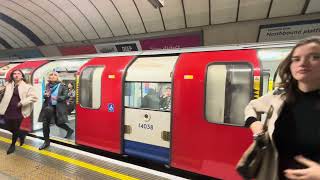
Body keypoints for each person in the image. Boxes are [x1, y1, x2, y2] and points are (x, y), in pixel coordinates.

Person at [244, 36, 320, 180]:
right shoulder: (279, 96)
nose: (303, 63)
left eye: (314, 57)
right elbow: (251, 106)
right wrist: (255, 124)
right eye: (296, 59)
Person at [0, 69, 37, 154]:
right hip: (7, 109)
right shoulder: (8, 84)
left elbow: (34, 97)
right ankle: (22, 134)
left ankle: (12, 145)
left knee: (15, 127)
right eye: (14, 74)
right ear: (12, 76)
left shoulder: (28, 86)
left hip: (18, 110)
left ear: (22, 76)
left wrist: (22, 102)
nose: (16, 75)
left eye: (18, 74)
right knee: (7, 126)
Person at [38, 71, 74, 150]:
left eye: (55, 75)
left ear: (58, 77)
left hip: (58, 108)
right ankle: (46, 142)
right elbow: (47, 95)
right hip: (48, 107)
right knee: (45, 124)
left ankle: (70, 130)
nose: (53, 76)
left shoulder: (62, 85)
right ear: (49, 77)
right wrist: (45, 95)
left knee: (58, 123)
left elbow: (66, 96)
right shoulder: (48, 85)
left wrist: (56, 98)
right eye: (51, 75)